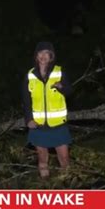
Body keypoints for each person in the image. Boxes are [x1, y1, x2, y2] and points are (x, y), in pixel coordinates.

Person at [22, 41, 73, 179]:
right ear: (36, 56)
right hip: (38, 125)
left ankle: (67, 187)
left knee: (64, 158)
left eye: (46, 53)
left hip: (58, 125)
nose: (43, 56)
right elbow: (26, 100)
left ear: (51, 56)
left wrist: (61, 87)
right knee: (42, 159)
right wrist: (28, 120)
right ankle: (45, 186)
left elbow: (69, 91)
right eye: (40, 53)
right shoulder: (30, 75)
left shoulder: (59, 72)